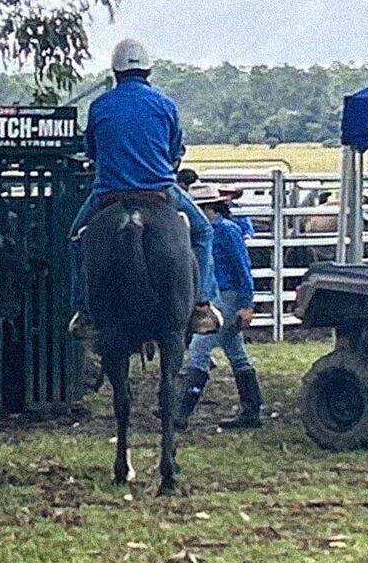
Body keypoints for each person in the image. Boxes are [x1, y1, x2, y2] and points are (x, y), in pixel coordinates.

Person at [68, 39, 221, 336]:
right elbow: (175, 148)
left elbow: (92, 151)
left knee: (75, 239)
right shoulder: (165, 105)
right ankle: (201, 305)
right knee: (203, 232)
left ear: (116, 70)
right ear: (148, 71)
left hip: (108, 193)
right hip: (160, 191)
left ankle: (83, 311)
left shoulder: (99, 106)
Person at [174, 183, 262, 430]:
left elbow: (242, 267)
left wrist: (246, 303)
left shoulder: (226, 231)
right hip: (218, 294)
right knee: (235, 351)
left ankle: (181, 411)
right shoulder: (212, 231)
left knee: (200, 348)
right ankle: (251, 408)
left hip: (226, 294)